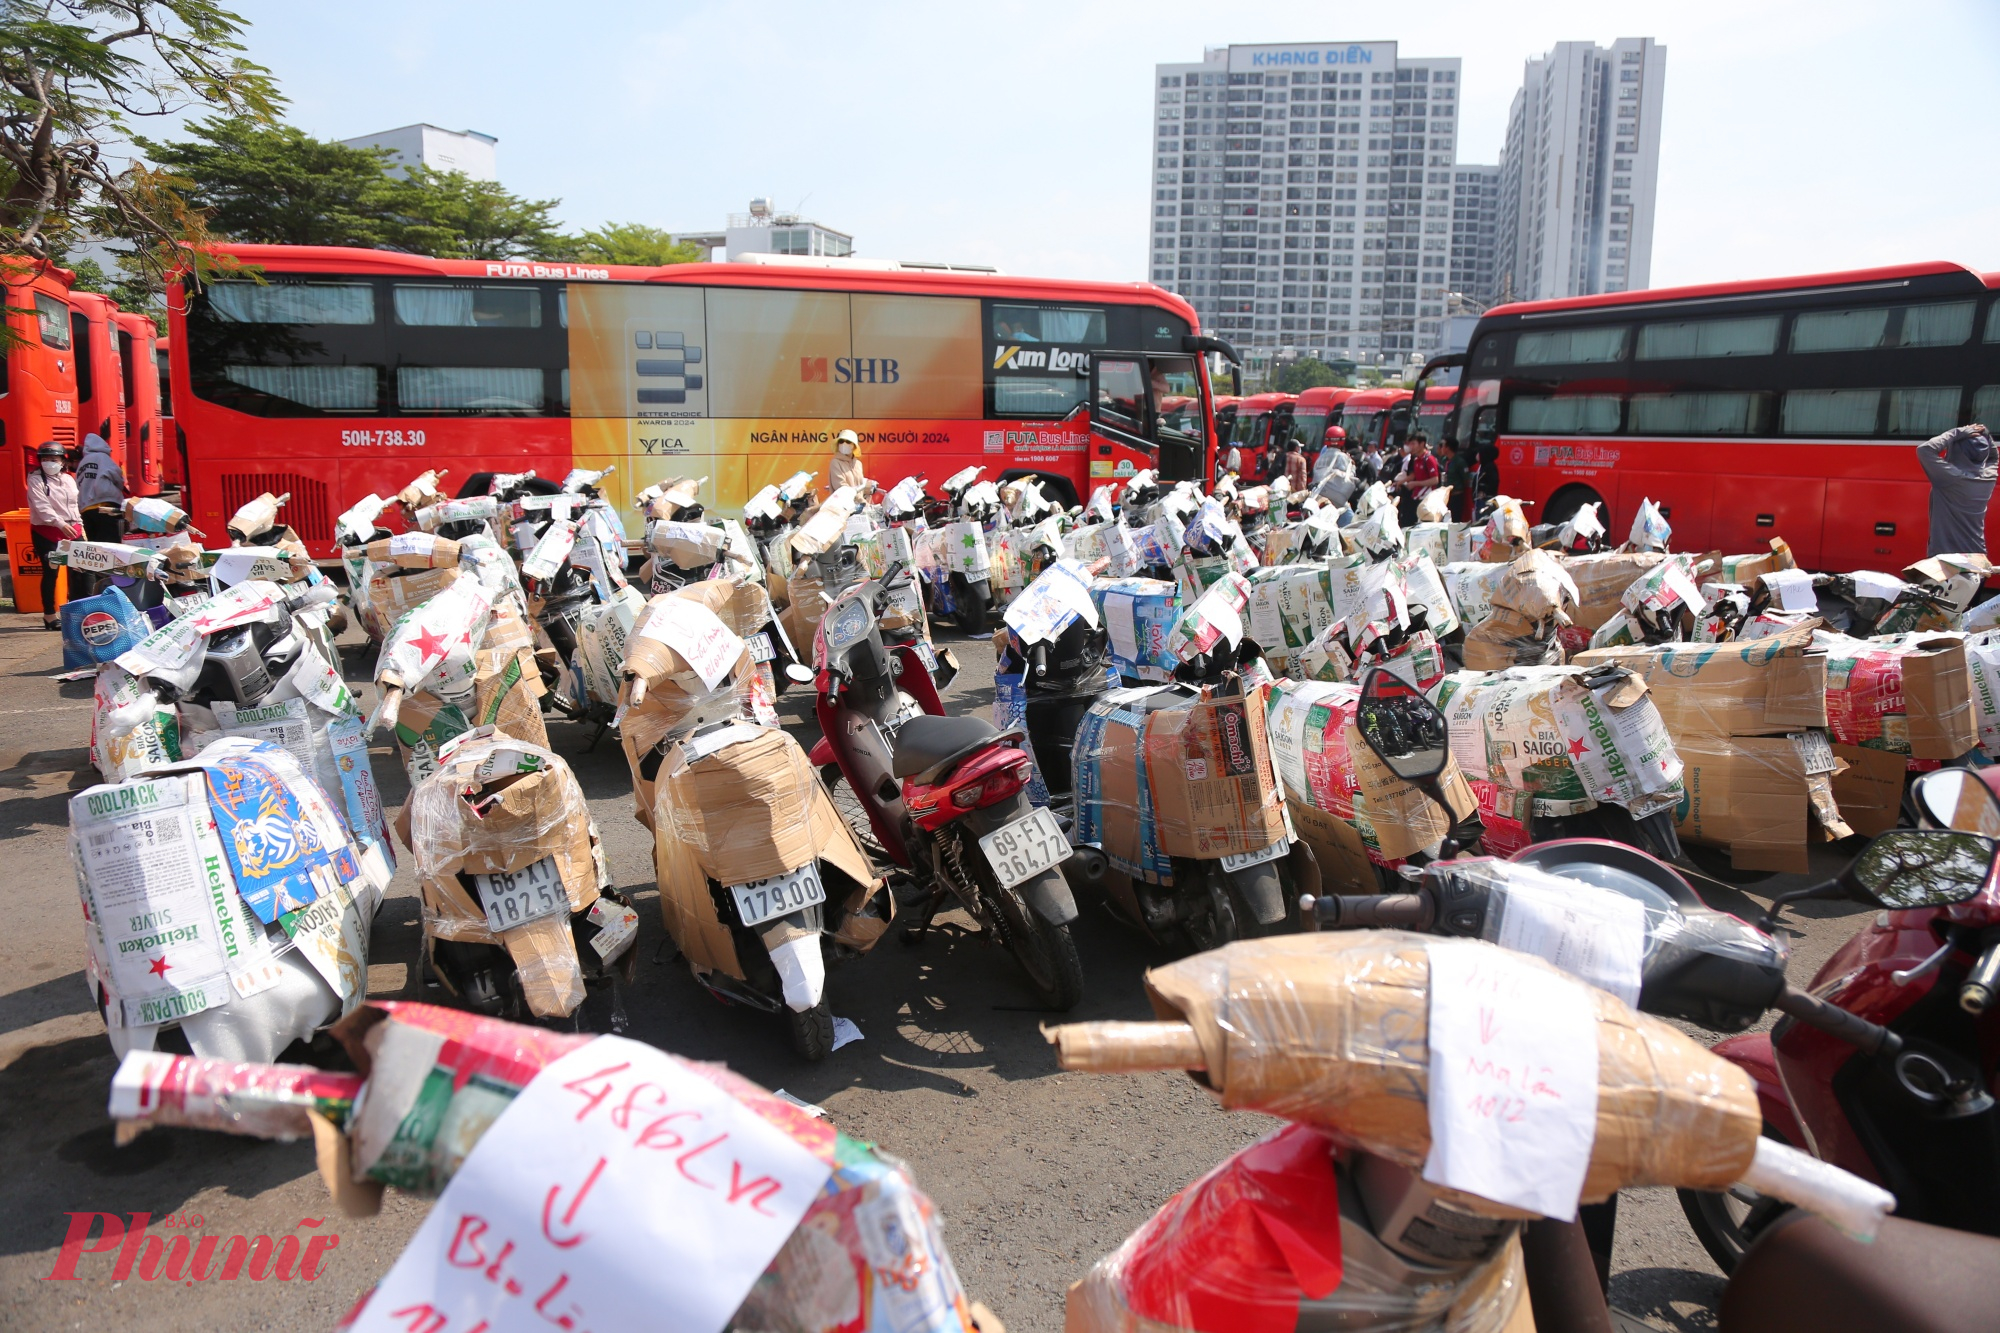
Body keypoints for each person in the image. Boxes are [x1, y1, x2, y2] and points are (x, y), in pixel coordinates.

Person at [26, 441, 84, 627]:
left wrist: (80, 526)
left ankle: (77, 612)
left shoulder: (68, 479)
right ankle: (49, 615)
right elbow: (41, 507)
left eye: (53, 459)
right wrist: (58, 523)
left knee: (81, 571)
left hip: (72, 529)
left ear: (62, 461)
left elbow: (74, 505)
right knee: (52, 572)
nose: (49, 462)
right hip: (47, 531)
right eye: (45, 459)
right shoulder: (35, 479)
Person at [1917, 423, 1996, 557]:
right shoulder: (1988, 477)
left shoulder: (1950, 478)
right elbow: (1994, 457)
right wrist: (1985, 434)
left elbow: (1925, 449)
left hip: (1949, 560)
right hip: (1978, 556)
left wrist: (1958, 432)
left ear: (1957, 451)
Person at [75, 432, 127, 546]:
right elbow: (116, 475)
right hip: (105, 506)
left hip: (86, 509)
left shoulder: (82, 462)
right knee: (110, 544)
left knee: (94, 544)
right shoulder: (103, 458)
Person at [1438, 437, 1470, 521]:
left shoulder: (1460, 462)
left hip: (1456, 496)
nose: (1441, 448)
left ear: (1448, 448)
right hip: (1444, 496)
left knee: (1455, 519)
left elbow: (1465, 479)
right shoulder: (1444, 460)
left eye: (1443, 446)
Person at [829, 428, 865, 492]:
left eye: (848, 442)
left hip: (858, 501)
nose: (844, 444)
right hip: (843, 501)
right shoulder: (835, 462)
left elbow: (861, 484)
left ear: (854, 446)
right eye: (841, 441)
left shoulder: (858, 464)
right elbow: (840, 487)